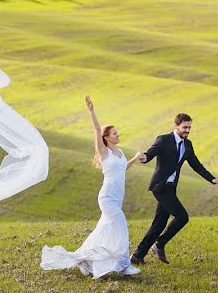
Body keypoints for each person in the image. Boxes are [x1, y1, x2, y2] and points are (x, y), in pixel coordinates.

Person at [41, 96, 143, 279]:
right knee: (121, 226)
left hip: (117, 197)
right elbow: (96, 128)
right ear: (106, 137)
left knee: (103, 230)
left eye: (118, 133)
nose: (118, 135)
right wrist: (91, 111)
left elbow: (122, 168)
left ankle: (85, 260)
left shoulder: (120, 153)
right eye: (114, 134)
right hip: (107, 197)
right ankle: (124, 265)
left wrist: (135, 159)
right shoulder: (103, 152)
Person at [131, 113, 218, 265]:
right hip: (160, 186)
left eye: (189, 127)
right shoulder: (163, 140)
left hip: (171, 188)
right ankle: (159, 245)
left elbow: (196, 165)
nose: (187, 130)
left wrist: (212, 179)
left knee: (159, 224)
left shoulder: (187, 145)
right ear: (176, 126)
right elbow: (150, 154)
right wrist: (143, 157)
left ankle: (137, 255)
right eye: (185, 127)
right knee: (182, 217)